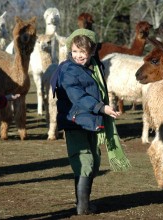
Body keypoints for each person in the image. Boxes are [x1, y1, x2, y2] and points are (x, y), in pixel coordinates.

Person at [51, 29, 130, 215]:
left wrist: (102, 110)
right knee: (84, 161)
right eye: (75, 51)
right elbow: (77, 95)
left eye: (83, 52)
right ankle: (83, 207)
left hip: (92, 121)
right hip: (75, 120)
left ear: (92, 51)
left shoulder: (95, 66)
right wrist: (101, 108)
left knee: (93, 162)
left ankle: (83, 201)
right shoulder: (68, 70)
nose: (78, 56)